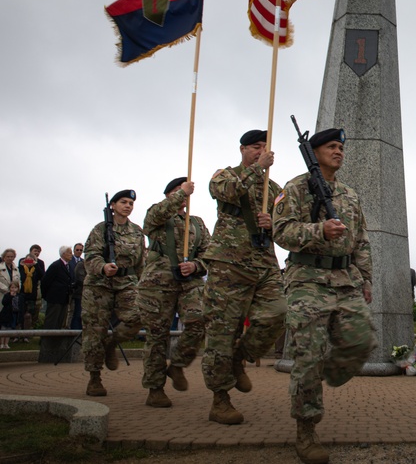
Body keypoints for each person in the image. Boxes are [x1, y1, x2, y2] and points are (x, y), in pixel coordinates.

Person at [272, 126, 375, 464]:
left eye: (341, 148)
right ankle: (306, 429)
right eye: (331, 147)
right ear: (315, 152)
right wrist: (319, 230)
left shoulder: (349, 194)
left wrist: (366, 279)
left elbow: (360, 239)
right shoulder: (295, 188)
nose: (339, 152)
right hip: (307, 280)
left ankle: (333, 369)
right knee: (309, 357)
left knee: (362, 338)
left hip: (345, 277)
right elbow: (281, 231)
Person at [202, 129, 286, 425]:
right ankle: (220, 399)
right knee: (223, 331)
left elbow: (288, 227)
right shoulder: (224, 175)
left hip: (264, 263)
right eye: (254, 147)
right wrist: (256, 168)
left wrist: (272, 223)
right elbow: (229, 192)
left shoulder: (274, 189)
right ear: (242, 150)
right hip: (229, 264)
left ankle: (241, 356)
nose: (261, 151)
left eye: (265, 147)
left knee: (279, 312)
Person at [136, 177, 211, 408]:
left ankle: (177, 364)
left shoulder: (197, 223)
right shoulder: (157, 215)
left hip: (188, 282)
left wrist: (196, 266)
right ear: (169, 194)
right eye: (178, 191)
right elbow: (153, 218)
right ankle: (155, 388)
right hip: (158, 283)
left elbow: (209, 253)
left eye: (186, 191)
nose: (184, 195)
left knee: (199, 321)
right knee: (157, 335)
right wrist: (181, 193)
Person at [82, 189, 145, 397]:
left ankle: (112, 343)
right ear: (113, 206)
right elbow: (90, 255)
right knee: (95, 331)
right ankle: (94, 378)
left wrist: (142, 284)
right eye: (124, 202)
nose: (128, 206)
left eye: (131, 203)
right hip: (99, 285)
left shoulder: (137, 231)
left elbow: (140, 262)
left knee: (138, 316)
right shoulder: (100, 229)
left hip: (126, 282)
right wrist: (102, 267)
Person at [40, 246, 75, 329]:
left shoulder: (68, 266)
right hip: (54, 299)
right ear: (63, 254)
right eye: (69, 252)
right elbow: (45, 281)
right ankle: (47, 340)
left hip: (64, 299)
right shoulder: (55, 265)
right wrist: (46, 296)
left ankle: (56, 340)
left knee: (60, 321)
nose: (71, 254)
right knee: (51, 321)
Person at [0, 282, 21, 348]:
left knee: (9, 330)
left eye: (15, 287)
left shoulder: (19, 296)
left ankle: (6, 343)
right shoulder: (7, 295)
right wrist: (10, 296)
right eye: (12, 287)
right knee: (3, 329)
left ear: (18, 288)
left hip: (13, 315)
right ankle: (2, 343)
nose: (13, 289)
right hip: (5, 315)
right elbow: (4, 303)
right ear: (9, 288)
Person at [69, 243, 85, 330]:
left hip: (79, 291)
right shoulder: (69, 260)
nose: (79, 251)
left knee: (78, 312)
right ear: (74, 250)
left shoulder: (83, 262)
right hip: (70, 290)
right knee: (69, 313)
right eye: (77, 250)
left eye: (80, 250)